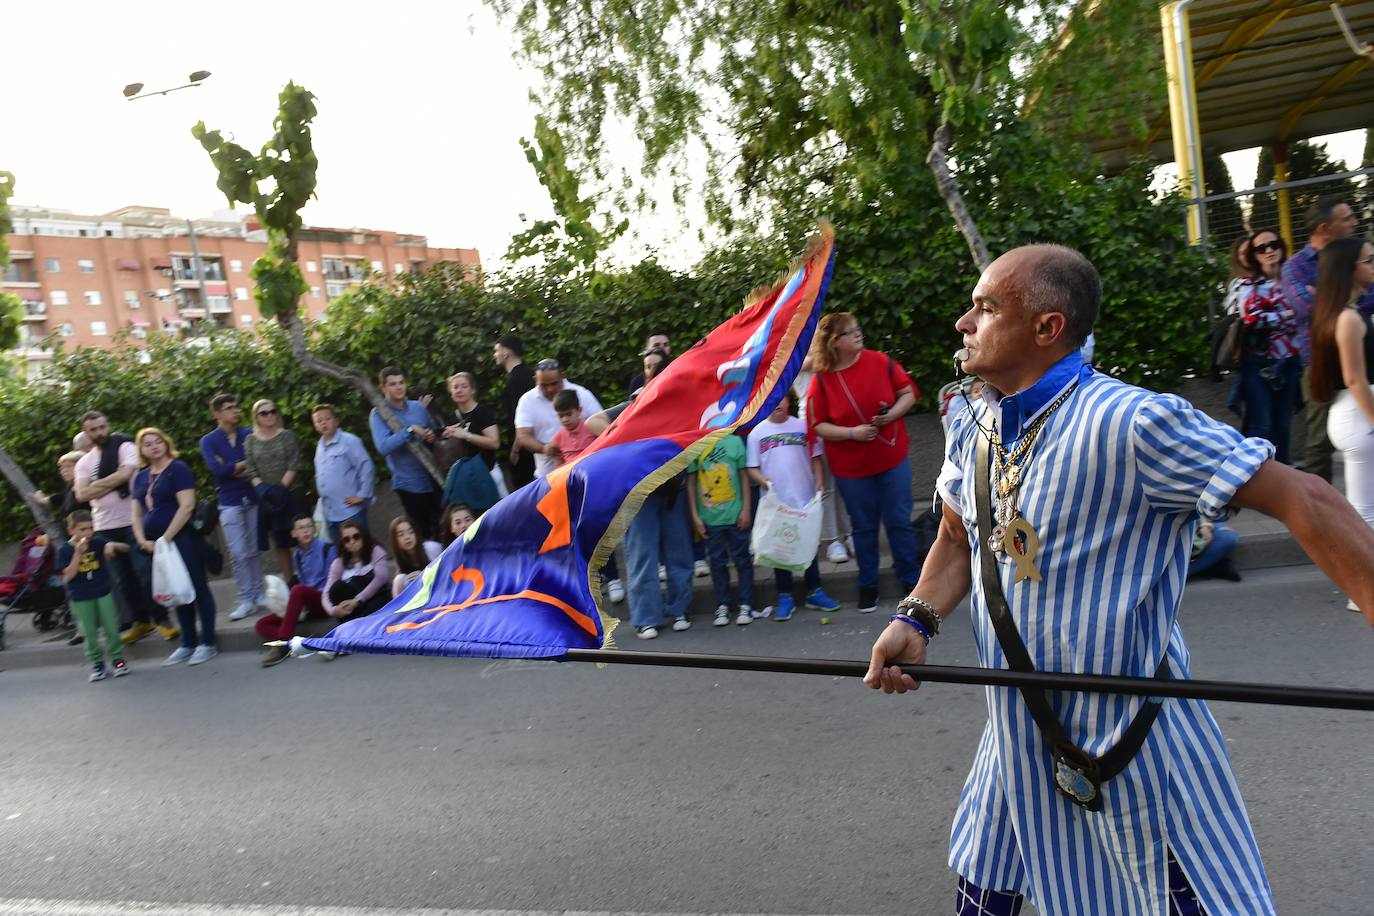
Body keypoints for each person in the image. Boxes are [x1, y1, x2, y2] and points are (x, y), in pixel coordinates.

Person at [864, 243, 1374, 915]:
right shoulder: (976, 425)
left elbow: (1308, 500)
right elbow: (958, 540)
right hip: (1015, 754)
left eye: (986, 308)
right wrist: (916, 617)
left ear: (1047, 327)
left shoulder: (1134, 422)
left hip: (1134, 755)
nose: (964, 321)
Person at [807, 312, 921, 612]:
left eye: (858, 329)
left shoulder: (880, 361)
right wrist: (851, 433)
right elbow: (818, 424)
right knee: (864, 528)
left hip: (891, 457)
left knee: (899, 521)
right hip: (851, 469)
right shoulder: (822, 378)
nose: (858, 334)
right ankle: (868, 585)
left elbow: (908, 393)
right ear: (834, 342)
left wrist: (892, 415)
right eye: (849, 332)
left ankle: (913, 582)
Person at [1280, 195, 1373, 481]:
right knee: (1320, 440)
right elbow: (1307, 307)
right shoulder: (1294, 267)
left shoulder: (1356, 256)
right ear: (1325, 228)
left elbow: (1333, 305)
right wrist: (1347, 300)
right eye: (1346, 219)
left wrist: (1325, 295)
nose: (1354, 222)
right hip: (1319, 362)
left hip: (1361, 355)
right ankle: (1319, 511)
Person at [1307, 236, 1374, 610]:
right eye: (1369, 260)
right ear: (1350, 270)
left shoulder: (1346, 311)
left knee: (1366, 506)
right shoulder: (1347, 318)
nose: (1373, 265)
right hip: (1359, 414)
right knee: (1364, 509)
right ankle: (1361, 591)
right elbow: (1354, 379)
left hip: (1355, 413)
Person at [72, 410, 177, 644]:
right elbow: (81, 493)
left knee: (145, 572)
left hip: (133, 522)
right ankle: (142, 622)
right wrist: (109, 482)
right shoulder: (83, 463)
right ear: (86, 433)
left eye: (102, 427)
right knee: (122, 579)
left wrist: (95, 487)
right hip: (103, 528)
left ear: (107, 425)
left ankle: (162, 619)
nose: (99, 433)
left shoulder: (124, 447)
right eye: (93, 430)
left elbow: (126, 474)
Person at [745, 391, 841, 621]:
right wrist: (763, 482)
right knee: (780, 548)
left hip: (804, 498)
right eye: (771, 400)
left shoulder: (802, 427)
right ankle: (785, 596)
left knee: (808, 545)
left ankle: (814, 591)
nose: (778, 403)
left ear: (790, 401)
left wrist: (819, 481)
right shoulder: (756, 433)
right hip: (776, 502)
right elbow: (752, 468)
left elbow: (816, 457)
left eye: (782, 398)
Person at [131, 427, 219, 667]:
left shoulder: (177, 469)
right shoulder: (140, 477)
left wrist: (167, 537)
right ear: (141, 450)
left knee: (197, 588)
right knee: (177, 592)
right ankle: (187, 643)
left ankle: (208, 642)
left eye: (157, 441)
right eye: (147, 443)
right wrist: (141, 540)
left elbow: (187, 506)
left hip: (180, 539)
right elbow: (136, 514)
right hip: (156, 544)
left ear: (165, 443)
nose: (154, 446)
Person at [552, 389, 624, 603]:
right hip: (575, 497)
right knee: (582, 540)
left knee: (603, 536)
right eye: (561, 415)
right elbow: (558, 469)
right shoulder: (558, 438)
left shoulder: (592, 428)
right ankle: (596, 579)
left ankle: (614, 578)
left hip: (597, 493)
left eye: (569, 414)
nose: (565, 419)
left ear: (579, 410)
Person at [1236, 228, 1301, 463]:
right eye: (1261, 248)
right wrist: (1286, 315)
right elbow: (1250, 319)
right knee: (1261, 424)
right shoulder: (1248, 285)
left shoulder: (1293, 281)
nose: (1269, 251)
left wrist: (1273, 315)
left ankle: (1283, 477)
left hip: (1289, 361)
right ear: (1255, 255)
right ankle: (1250, 475)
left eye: (1273, 245)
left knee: (1283, 424)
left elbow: (1306, 313)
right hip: (1258, 362)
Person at [200, 393, 263, 622]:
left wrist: (232, 467)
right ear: (217, 414)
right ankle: (246, 598)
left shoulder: (249, 433)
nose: (235, 411)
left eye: (236, 406)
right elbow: (218, 472)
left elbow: (257, 464)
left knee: (254, 549)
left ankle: (259, 594)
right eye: (229, 408)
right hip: (229, 501)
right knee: (237, 553)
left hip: (252, 496)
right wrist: (241, 467)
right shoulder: (209, 441)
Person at [792, 343, 852, 564]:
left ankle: (848, 534)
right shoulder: (792, 354)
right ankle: (832, 540)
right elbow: (820, 361)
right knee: (825, 485)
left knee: (842, 484)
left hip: (834, 417)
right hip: (810, 422)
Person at [688, 430, 755, 626]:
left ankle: (746, 604)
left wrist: (746, 509)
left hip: (735, 515)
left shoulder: (734, 442)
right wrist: (695, 516)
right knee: (717, 563)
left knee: (742, 560)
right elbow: (691, 482)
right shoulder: (696, 444)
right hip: (710, 518)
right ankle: (722, 604)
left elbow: (744, 478)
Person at [57, 509, 130, 682]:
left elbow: (125, 547)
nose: (88, 533)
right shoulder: (64, 550)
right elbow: (70, 574)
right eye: (82, 529)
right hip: (80, 596)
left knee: (111, 628)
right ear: (71, 530)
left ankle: (118, 661)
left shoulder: (97, 542)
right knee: (89, 632)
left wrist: (112, 545)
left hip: (102, 592)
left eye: (90, 528)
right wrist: (78, 553)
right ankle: (97, 664)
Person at [370, 366, 442, 540]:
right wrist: (409, 431)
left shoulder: (418, 407)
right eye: (393, 384)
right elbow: (383, 447)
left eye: (401, 382)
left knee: (443, 528)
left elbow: (431, 434)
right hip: (408, 484)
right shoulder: (378, 413)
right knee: (423, 534)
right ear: (383, 388)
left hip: (433, 477)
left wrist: (430, 436)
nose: (399, 387)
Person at [257, 514, 336, 667]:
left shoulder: (327, 549)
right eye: (301, 528)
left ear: (314, 529)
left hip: (323, 600)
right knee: (262, 624)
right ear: (294, 534)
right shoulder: (297, 555)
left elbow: (331, 583)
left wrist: (303, 598)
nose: (305, 531)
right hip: (304, 603)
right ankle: (305, 642)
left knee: (298, 590)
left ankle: (283, 644)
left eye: (308, 527)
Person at [244, 398, 304, 579]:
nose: (269, 415)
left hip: (291, 494)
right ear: (256, 417)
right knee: (281, 543)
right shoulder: (250, 440)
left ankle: (312, 582)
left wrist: (280, 488)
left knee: (303, 538)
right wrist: (263, 489)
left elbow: (294, 463)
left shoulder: (287, 435)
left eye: (273, 411)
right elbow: (251, 468)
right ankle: (290, 584)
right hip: (268, 500)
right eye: (264, 413)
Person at [514, 359, 603, 479]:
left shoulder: (582, 394)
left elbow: (602, 424)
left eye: (554, 383)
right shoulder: (526, 401)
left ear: (562, 376)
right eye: (544, 385)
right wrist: (544, 448)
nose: (550, 389)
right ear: (535, 380)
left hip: (591, 471)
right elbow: (523, 436)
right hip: (548, 476)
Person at [311, 404, 376, 542]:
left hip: (351, 511)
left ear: (336, 421)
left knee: (362, 547)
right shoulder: (320, 446)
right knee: (342, 553)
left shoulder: (349, 441)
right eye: (319, 420)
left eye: (327, 419)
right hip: (330, 513)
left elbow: (366, 466)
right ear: (315, 425)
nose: (323, 423)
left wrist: (363, 494)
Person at [442, 371, 504, 495]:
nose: (459, 390)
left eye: (464, 386)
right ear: (451, 393)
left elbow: (495, 443)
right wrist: (448, 438)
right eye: (455, 387)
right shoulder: (453, 417)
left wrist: (466, 435)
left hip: (489, 473)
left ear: (473, 390)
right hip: (468, 478)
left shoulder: (482, 412)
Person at [322, 519, 391, 627]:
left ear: (363, 536)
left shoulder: (375, 550)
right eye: (347, 540)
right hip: (351, 608)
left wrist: (357, 600)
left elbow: (381, 578)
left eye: (356, 537)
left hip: (375, 598)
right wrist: (334, 610)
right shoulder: (339, 563)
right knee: (337, 588)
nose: (352, 541)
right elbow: (326, 594)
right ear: (343, 544)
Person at [494, 334, 537, 488]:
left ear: (506, 353)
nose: (495, 355)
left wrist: (515, 449)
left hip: (525, 447)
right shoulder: (529, 373)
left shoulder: (516, 379)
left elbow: (523, 417)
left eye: (497, 350)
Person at [389, 516, 443, 597]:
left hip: (441, 590)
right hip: (422, 598)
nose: (407, 537)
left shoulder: (432, 548)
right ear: (395, 540)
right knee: (399, 580)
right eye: (401, 535)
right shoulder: (400, 561)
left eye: (411, 532)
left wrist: (425, 576)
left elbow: (446, 573)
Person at [31, 450, 90, 517]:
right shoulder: (71, 486)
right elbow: (61, 497)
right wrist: (45, 500)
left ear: (81, 465)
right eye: (61, 468)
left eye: (68, 466)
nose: (64, 471)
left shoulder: (89, 486)